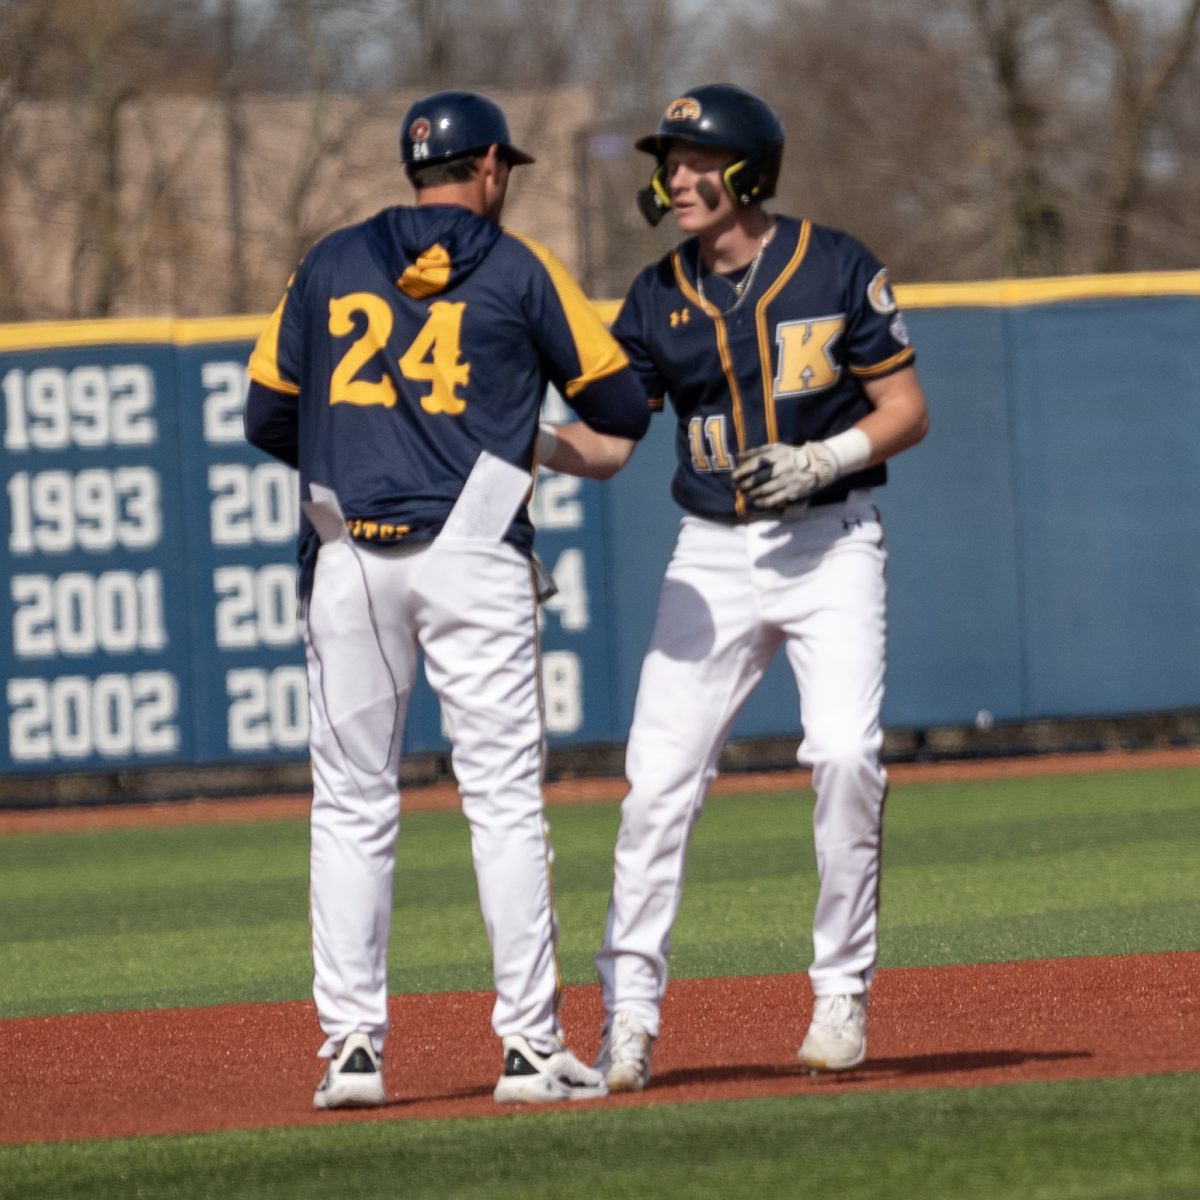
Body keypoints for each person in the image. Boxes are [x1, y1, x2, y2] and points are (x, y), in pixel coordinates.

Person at [243, 89, 649, 1108]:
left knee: (350, 807)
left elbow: (264, 414)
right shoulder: (517, 266)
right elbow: (621, 407)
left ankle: (351, 1054)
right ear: (492, 170)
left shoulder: (329, 261)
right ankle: (527, 1048)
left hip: (350, 548)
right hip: (473, 545)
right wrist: (513, 431)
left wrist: (364, 447)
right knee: (503, 803)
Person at [588, 83, 930, 1091]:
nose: (676, 178)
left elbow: (906, 406)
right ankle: (630, 1019)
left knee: (844, 755)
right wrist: (517, 441)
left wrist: (824, 460)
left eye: (695, 161)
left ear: (748, 171)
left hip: (830, 539)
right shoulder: (656, 294)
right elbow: (612, 441)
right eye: (668, 162)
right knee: (656, 786)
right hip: (712, 553)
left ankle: (839, 993)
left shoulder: (835, 261)